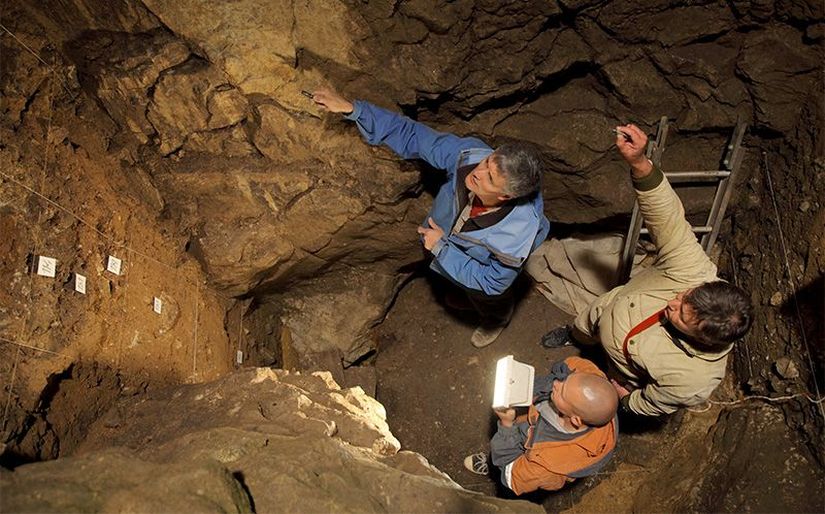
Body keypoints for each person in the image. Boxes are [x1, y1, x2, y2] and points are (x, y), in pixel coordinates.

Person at [541, 124, 754, 417]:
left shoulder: (693, 380)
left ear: (702, 339)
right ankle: (575, 336)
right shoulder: (694, 270)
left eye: (681, 316)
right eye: (685, 296)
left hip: (621, 369)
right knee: (584, 324)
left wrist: (625, 402)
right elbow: (668, 218)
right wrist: (640, 164)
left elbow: (654, 402)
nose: (672, 304)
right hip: (605, 310)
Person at [312, 88, 550, 347]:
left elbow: (491, 282)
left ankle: (495, 317)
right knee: (458, 273)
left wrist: (441, 247)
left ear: (504, 196)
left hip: (484, 262)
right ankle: (466, 291)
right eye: (488, 162)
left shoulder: (514, 237)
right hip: (452, 237)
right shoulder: (469, 158)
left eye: (490, 178)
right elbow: (413, 135)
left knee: (487, 294)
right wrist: (354, 109)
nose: (478, 172)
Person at [464, 356, 618, 494]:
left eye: (562, 392)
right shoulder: (593, 383)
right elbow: (570, 364)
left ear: (576, 420)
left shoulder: (547, 467)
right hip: (532, 418)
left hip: (523, 451)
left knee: (501, 463)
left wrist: (507, 425)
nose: (556, 383)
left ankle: (492, 467)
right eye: (567, 380)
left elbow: (511, 477)